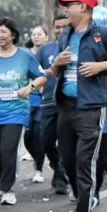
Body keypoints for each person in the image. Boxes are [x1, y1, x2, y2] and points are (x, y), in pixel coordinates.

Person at [46, 0, 107, 212]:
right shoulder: (65, 35)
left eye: (70, 6)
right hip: (66, 106)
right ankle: (86, 198)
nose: (66, 10)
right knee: (67, 160)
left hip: (92, 106)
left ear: (84, 8)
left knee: (84, 162)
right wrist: (57, 62)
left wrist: (100, 66)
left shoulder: (104, 34)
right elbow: (54, 73)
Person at [0, 17, 43, 206]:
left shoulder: (25, 56)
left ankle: (7, 189)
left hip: (16, 111)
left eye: (3, 32)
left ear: (12, 35)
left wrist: (30, 87)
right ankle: (3, 178)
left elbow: (41, 77)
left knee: (8, 149)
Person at [35, 17, 71, 193]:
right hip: (48, 101)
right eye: (57, 27)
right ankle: (57, 167)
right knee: (46, 141)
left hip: (68, 103)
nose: (61, 30)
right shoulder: (45, 49)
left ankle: (62, 177)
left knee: (65, 142)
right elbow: (33, 71)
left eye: (65, 26)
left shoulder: (75, 46)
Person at [24, 25, 52, 182]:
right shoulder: (26, 55)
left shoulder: (51, 52)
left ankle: (39, 169)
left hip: (44, 101)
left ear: (46, 37)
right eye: (34, 34)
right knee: (27, 137)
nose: (36, 36)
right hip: (28, 101)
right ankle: (36, 158)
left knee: (39, 136)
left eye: (39, 34)